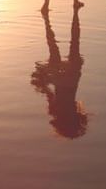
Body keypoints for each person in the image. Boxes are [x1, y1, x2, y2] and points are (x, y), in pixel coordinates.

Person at [30, 8, 87, 139]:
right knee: (53, 48)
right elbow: (49, 93)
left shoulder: (69, 113)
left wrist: (43, 81)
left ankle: (70, 19)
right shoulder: (55, 111)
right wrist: (42, 83)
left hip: (72, 80)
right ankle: (48, 24)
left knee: (74, 43)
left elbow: (50, 94)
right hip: (61, 81)